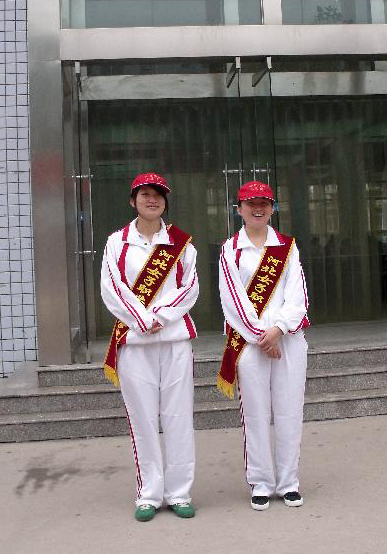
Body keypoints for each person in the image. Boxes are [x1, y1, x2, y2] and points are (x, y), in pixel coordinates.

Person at [101, 173, 199, 522]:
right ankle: (149, 494)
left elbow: (190, 287)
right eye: (145, 194)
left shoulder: (181, 243)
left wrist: (161, 316)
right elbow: (112, 287)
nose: (152, 199)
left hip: (174, 341)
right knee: (142, 419)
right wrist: (143, 320)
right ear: (133, 200)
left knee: (178, 417)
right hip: (135, 342)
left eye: (158, 194)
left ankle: (179, 492)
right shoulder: (117, 242)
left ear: (165, 201)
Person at [217, 181, 309, 510]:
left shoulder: (287, 246)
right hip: (249, 344)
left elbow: (297, 295)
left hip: (288, 342)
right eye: (250, 203)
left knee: (289, 412)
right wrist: (262, 336)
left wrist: (279, 329)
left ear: (272, 208)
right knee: (254, 414)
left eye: (264, 203)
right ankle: (260, 482)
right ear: (238, 209)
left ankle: (289, 482)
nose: (258, 209)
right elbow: (232, 300)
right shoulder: (230, 249)